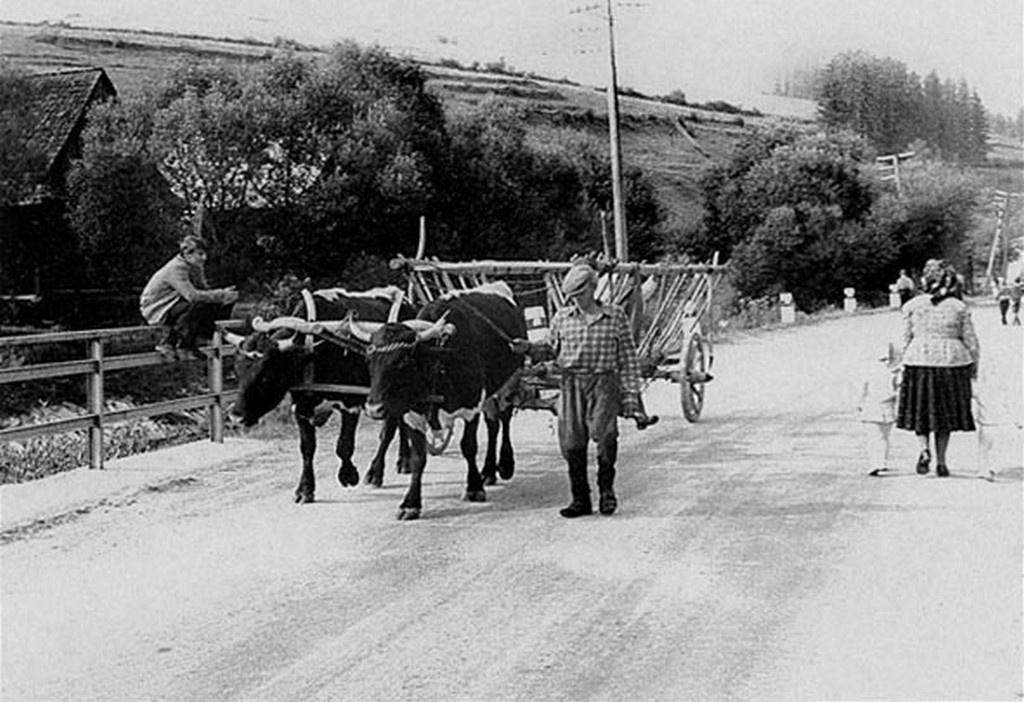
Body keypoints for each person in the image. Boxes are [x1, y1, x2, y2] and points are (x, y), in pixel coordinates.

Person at [510, 262, 652, 517]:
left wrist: (632, 395)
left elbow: (628, 358)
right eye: (572, 296)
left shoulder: (615, 315)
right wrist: (528, 348)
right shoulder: (562, 318)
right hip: (571, 383)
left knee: (606, 437)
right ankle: (580, 500)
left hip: (604, 383)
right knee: (573, 444)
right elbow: (550, 349)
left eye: (580, 293)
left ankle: (607, 493)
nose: (576, 300)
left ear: (592, 288)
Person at [896, 259, 979, 477]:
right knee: (944, 414)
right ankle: (942, 461)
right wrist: (974, 365)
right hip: (951, 362)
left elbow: (904, 338)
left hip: (918, 361)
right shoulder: (959, 307)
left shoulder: (912, 306)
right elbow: (970, 340)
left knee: (920, 411)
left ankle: (924, 450)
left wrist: (900, 364)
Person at [139, 235, 238, 360]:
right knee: (199, 304)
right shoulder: (176, 268)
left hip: (177, 303)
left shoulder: (195, 267)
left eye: (204, 254)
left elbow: (204, 290)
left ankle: (189, 342)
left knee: (213, 305)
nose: (204, 258)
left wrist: (224, 296)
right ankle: (174, 343)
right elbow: (192, 296)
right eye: (200, 254)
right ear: (188, 254)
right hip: (157, 307)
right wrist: (220, 294)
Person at [858, 342, 902, 477]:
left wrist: (860, 403)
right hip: (888, 407)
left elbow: (863, 388)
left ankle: (875, 463)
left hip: (872, 405)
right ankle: (881, 461)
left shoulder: (869, 369)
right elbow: (899, 390)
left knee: (874, 437)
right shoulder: (896, 372)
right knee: (884, 437)